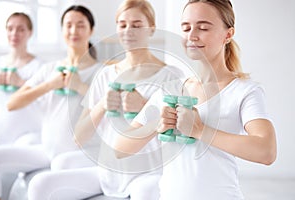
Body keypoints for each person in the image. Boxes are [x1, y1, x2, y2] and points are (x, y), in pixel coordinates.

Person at [114, 0, 277, 199]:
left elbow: (266, 151)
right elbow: (120, 149)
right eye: (186, 27)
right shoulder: (170, 88)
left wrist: (200, 130)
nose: (192, 35)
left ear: (228, 34)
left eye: (203, 27)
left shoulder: (245, 91)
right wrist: (155, 123)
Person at [26, 0, 184, 199]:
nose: (129, 31)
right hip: (107, 172)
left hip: (148, 174)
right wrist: (102, 105)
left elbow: (182, 133)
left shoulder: (171, 75)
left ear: (151, 28)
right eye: (122, 24)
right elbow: (79, 138)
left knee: (146, 193)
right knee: (40, 184)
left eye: (137, 25)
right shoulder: (106, 74)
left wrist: (145, 107)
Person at [0, 5, 100, 200]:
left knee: (47, 179)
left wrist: (79, 87)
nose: (73, 31)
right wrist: (49, 85)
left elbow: (108, 105)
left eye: (80, 25)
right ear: (62, 30)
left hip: (79, 155)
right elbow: (12, 103)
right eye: (68, 25)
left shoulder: (101, 71)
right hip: (47, 149)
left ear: (91, 30)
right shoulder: (50, 69)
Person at [0, 12, 43, 145]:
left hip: (28, 137)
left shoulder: (39, 67)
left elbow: (46, 98)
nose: (14, 33)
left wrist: (21, 83)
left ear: (30, 32)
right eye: (10, 28)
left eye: (21, 29)